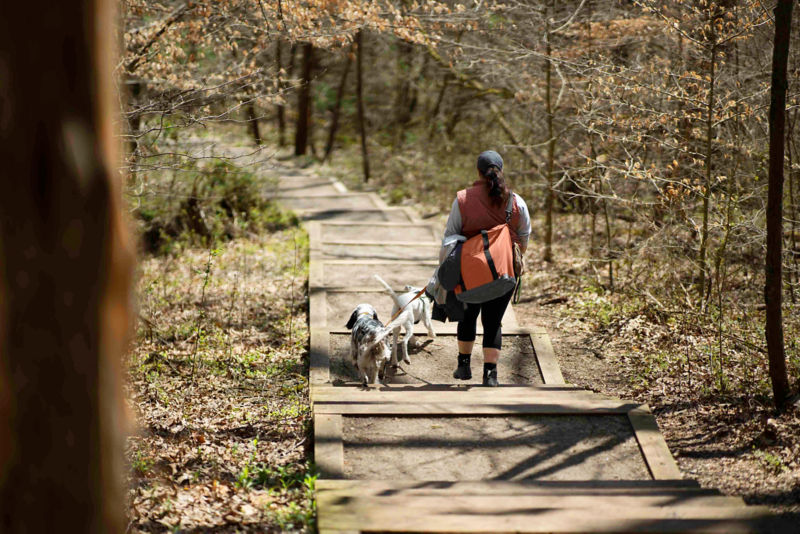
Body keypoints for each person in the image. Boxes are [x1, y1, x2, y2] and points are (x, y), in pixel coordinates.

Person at [442, 150, 531, 386]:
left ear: (478, 172)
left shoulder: (462, 199)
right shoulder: (515, 201)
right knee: (493, 322)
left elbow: (450, 236)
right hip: (505, 271)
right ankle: (490, 375)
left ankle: (463, 366)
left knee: (468, 317)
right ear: (501, 170)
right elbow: (524, 235)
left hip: (469, 271)